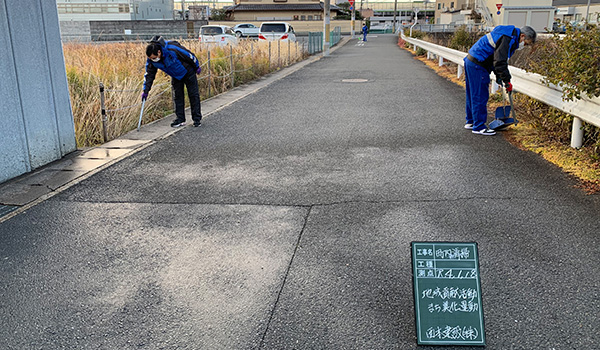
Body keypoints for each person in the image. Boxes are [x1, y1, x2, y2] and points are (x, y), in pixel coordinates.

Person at [463, 25, 536, 135]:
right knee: (480, 95)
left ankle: (471, 121)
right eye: (525, 43)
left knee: (472, 93)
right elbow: (500, 62)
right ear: (522, 36)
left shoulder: (507, 34)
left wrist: (499, 77)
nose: (524, 46)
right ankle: (479, 127)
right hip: (479, 64)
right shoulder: (508, 38)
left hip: (471, 61)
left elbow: (495, 59)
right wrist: (507, 80)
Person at [142, 36, 203, 128]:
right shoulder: (151, 61)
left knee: (193, 95)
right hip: (176, 75)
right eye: (151, 58)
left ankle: (197, 119)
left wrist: (196, 66)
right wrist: (145, 91)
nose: (153, 60)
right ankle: (180, 119)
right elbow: (149, 75)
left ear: (159, 52)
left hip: (188, 72)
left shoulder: (172, 49)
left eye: (154, 58)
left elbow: (188, 55)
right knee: (177, 96)